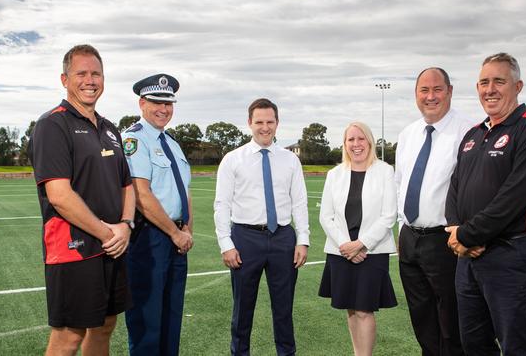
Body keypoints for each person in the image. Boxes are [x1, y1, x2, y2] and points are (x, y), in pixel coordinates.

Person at [446, 53, 526, 356]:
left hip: (513, 255)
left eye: (499, 81)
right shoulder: (474, 134)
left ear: (517, 85)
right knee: (474, 343)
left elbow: (515, 197)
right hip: (468, 259)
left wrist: (468, 236)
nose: (490, 89)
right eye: (484, 82)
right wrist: (457, 230)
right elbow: (455, 187)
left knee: (519, 345)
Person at [28, 44, 135, 356]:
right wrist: (107, 233)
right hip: (72, 249)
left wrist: (126, 226)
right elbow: (59, 196)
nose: (90, 80)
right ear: (65, 79)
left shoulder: (109, 128)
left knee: (104, 327)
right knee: (68, 338)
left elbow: (126, 185)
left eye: (96, 73)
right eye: (82, 73)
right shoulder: (52, 124)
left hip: (112, 246)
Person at [213, 98, 310, 356]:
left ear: (277, 123)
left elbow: (299, 202)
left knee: (283, 309)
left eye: (270, 122)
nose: (264, 127)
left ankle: (286, 353)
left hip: (283, 239)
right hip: (246, 238)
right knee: (242, 309)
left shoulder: (290, 160)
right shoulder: (233, 160)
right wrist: (226, 244)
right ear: (249, 123)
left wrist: (302, 240)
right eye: (259, 122)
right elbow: (221, 204)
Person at [395, 67, 474, 356]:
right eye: (423, 90)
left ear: (450, 91)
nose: (430, 96)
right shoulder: (407, 134)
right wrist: (400, 227)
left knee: (452, 321)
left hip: (446, 240)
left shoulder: (469, 131)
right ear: (416, 95)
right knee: (422, 318)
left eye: (437, 89)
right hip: (410, 238)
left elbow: (471, 189)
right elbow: (400, 183)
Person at [122, 74, 193, 355]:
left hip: (176, 239)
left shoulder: (172, 143)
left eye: (169, 103)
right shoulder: (134, 140)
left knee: (171, 318)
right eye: (156, 102)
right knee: (147, 321)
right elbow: (141, 195)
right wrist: (175, 233)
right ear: (142, 103)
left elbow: (184, 189)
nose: (164, 109)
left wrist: (186, 228)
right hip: (149, 238)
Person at [318, 121, 399, 356]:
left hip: (371, 251)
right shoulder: (335, 174)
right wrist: (346, 246)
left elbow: (388, 216)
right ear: (345, 144)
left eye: (361, 138)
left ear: (370, 141)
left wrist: (362, 244)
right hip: (341, 250)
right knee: (351, 310)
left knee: (364, 310)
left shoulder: (385, 171)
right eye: (351, 139)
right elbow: (326, 216)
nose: (356, 144)